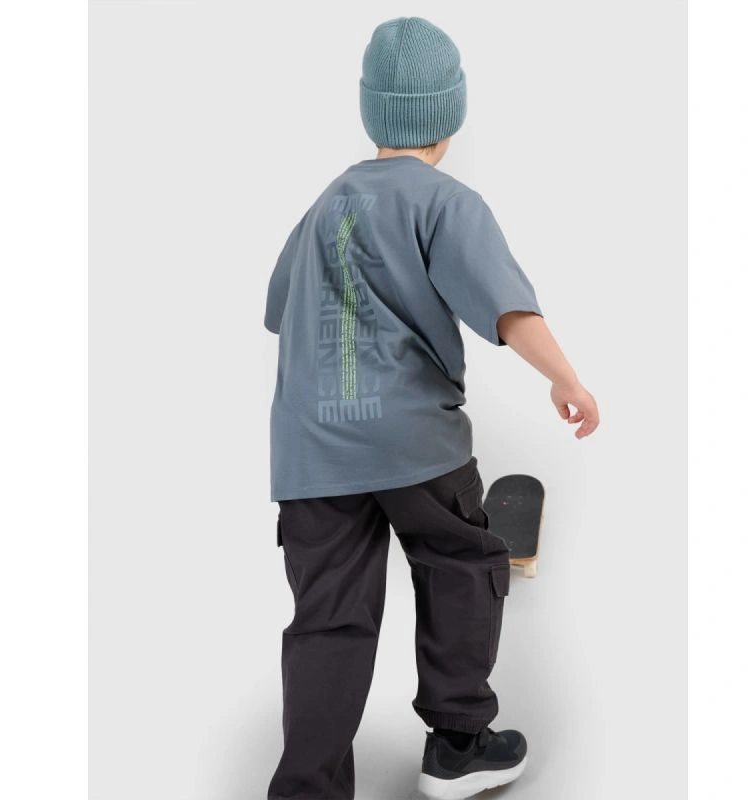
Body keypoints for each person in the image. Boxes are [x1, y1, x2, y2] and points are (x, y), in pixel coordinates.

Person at [263, 16, 599, 800]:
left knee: (327, 618)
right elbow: (509, 310)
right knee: (461, 563)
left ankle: (306, 787)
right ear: (450, 118)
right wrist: (566, 380)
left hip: (311, 453)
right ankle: (458, 744)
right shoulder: (446, 203)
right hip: (414, 444)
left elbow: (280, 312)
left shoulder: (323, 207)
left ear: (370, 112)